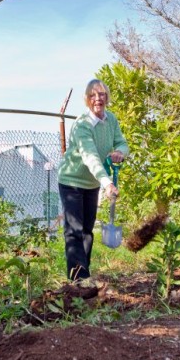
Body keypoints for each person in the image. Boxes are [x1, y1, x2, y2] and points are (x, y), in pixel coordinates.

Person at [58, 79, 129, 281]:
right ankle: (79, 279)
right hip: (71, 180)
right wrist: (107, 183)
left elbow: (122, 143)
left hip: (92, 183)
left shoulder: (110, 119)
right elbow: (90, 156)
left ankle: (84, 276)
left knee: (87, 231)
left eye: (102, 94)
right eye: (93, 95)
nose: (98, 98)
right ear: (87, 99)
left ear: (107, 97)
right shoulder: (82, 124)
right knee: (74, 230)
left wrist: (120, 152)